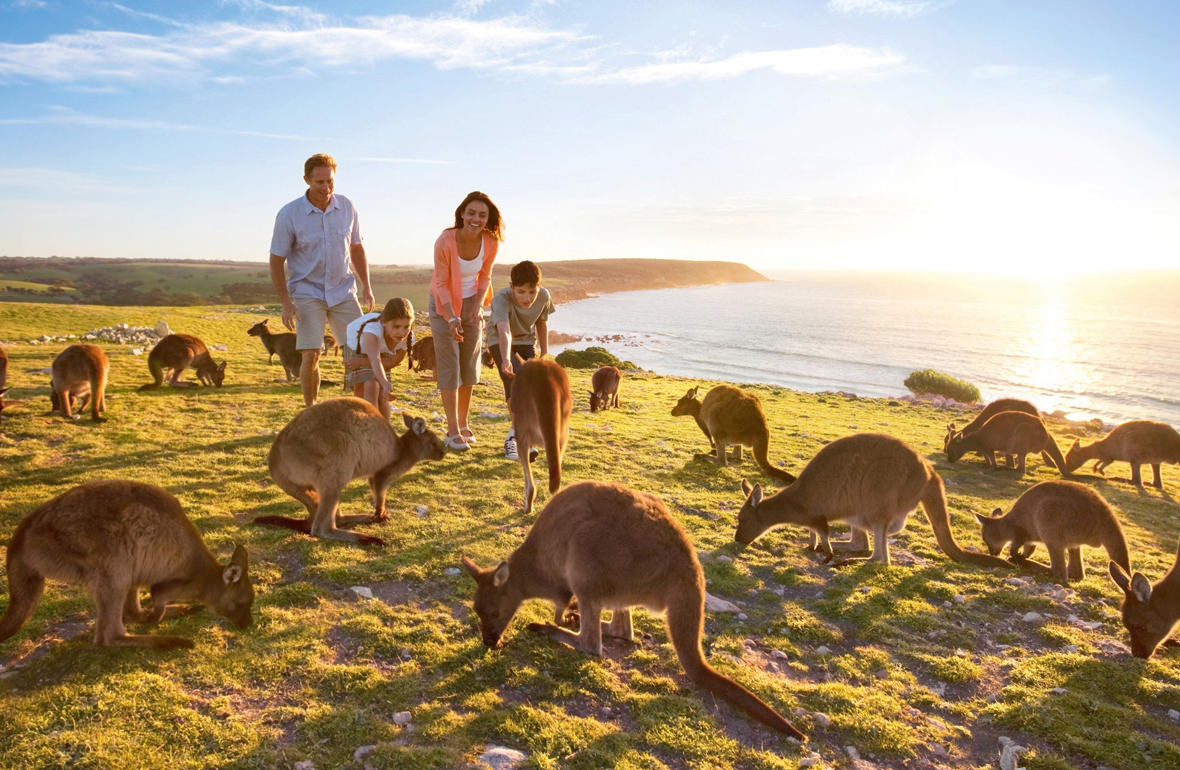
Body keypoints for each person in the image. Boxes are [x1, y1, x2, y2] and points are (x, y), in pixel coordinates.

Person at [269, 153, 376, 407]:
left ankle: (361, 408)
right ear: (306, 180)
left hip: (343, 290)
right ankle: (311, 410)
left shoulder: (347, 207)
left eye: (330, 181)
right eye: (320, 182)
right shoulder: (289, 214)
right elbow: (276, 260)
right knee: (312, 353)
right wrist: (286, 302)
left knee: (361, 348)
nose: (326, 188)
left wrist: (367, 287)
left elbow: (357, 249)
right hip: (307, 292)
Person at [428, 190, 502, 451]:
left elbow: (485, 276)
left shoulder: (490, 242)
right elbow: (440, 282)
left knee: (469, 364)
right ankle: (451, 430)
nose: (476, 218)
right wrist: (451, 317)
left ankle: (463, 420)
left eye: (482, 215)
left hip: (472, 302)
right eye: (471, 213)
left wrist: (479, 304)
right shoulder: (445, 241)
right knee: (450, 364)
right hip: (443, 304)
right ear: (461, 213)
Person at [485, 260, 554, 459]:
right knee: (515, 383)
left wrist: (545, 354)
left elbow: (541, 323)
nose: (527, 297)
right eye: (521, 291)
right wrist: (505, 359)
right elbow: (504, 331)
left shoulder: (544, 296)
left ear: (538, 288)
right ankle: (513, 440)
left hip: (526, 340)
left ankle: (525, 436)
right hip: (499, 340)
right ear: (512, 287)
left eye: (532, 291)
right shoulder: (501, 299)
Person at [343, 297, 415, 419]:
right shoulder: (372, 329)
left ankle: (385, 432)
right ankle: (371, 428)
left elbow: (393, 361)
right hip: (359, 347)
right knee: (371, 386)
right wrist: (385, 382)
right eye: (396, 326)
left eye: (406, 327)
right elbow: (374, 358)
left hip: (379, 351)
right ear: (384, 322)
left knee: (383, 394)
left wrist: (361, 362)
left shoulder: (408, 338)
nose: (402, 332)